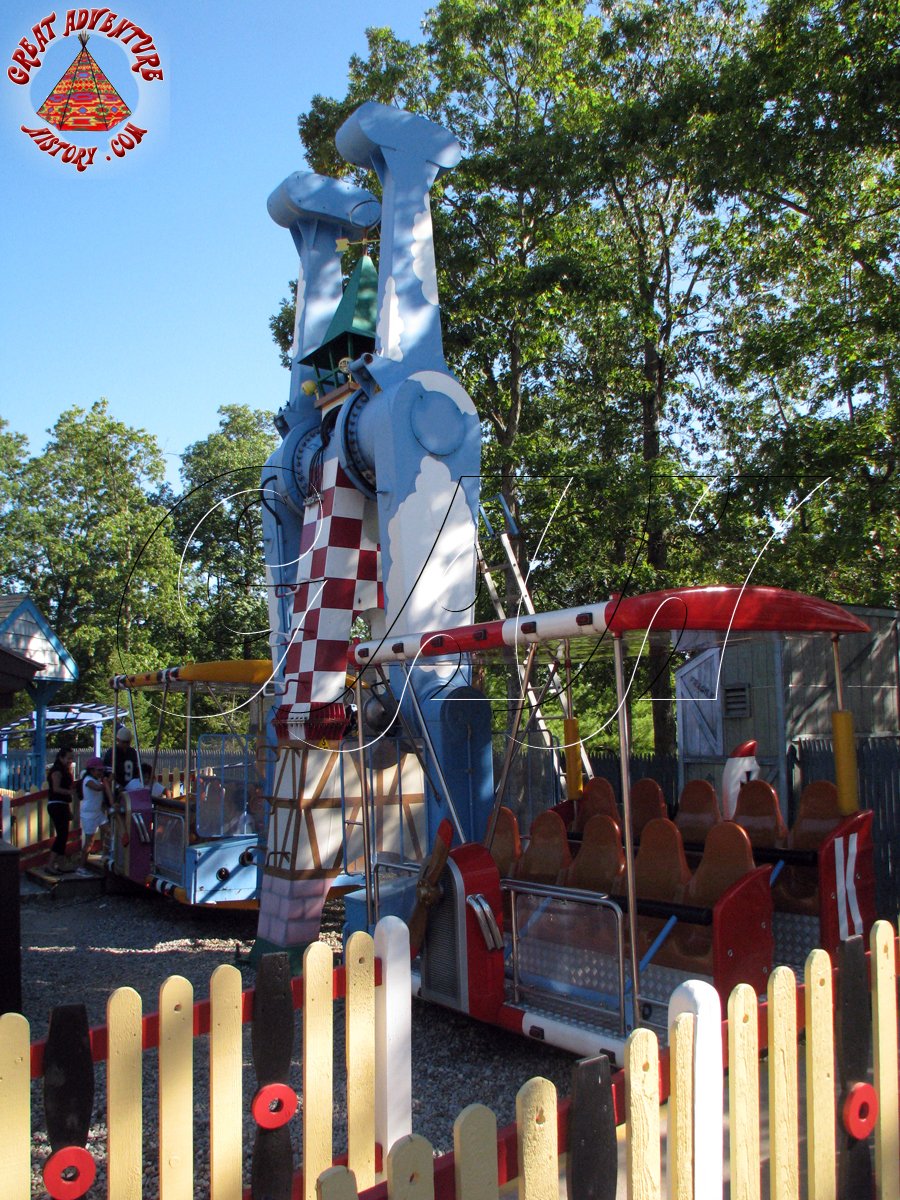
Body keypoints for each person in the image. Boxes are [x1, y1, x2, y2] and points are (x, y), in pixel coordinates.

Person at [46, 745, 76, 873]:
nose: (70, 760)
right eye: (68, 758)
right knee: (61, 835)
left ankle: (61, 863)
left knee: (64, 835)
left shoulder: (65, 770)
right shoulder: (57, 771)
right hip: (56, 803)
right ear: (61, 757)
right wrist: (70, 792)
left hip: (62, 804)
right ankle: (50, 864)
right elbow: (56, 788)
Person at [78, 756, 111, 867]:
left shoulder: (96, 780)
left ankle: (105, 855)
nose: (100, 773)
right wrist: (108, 781)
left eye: (102, 770)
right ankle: (81, 866)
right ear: (91, 770)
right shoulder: (87, 780)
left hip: (98, 813)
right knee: (89, 842)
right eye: (98, 770)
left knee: (110, 832)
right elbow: (97, 788)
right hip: (88, 815)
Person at [103, 726, 141, 794]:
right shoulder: (112, 753)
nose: (125, 744)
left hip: (131, 786)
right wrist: (117, 787)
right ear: (117, 740)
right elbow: (108, 774)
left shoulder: (132, 752)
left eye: (127, 742)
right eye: (123, 742)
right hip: (117, 788)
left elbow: (136, 770)